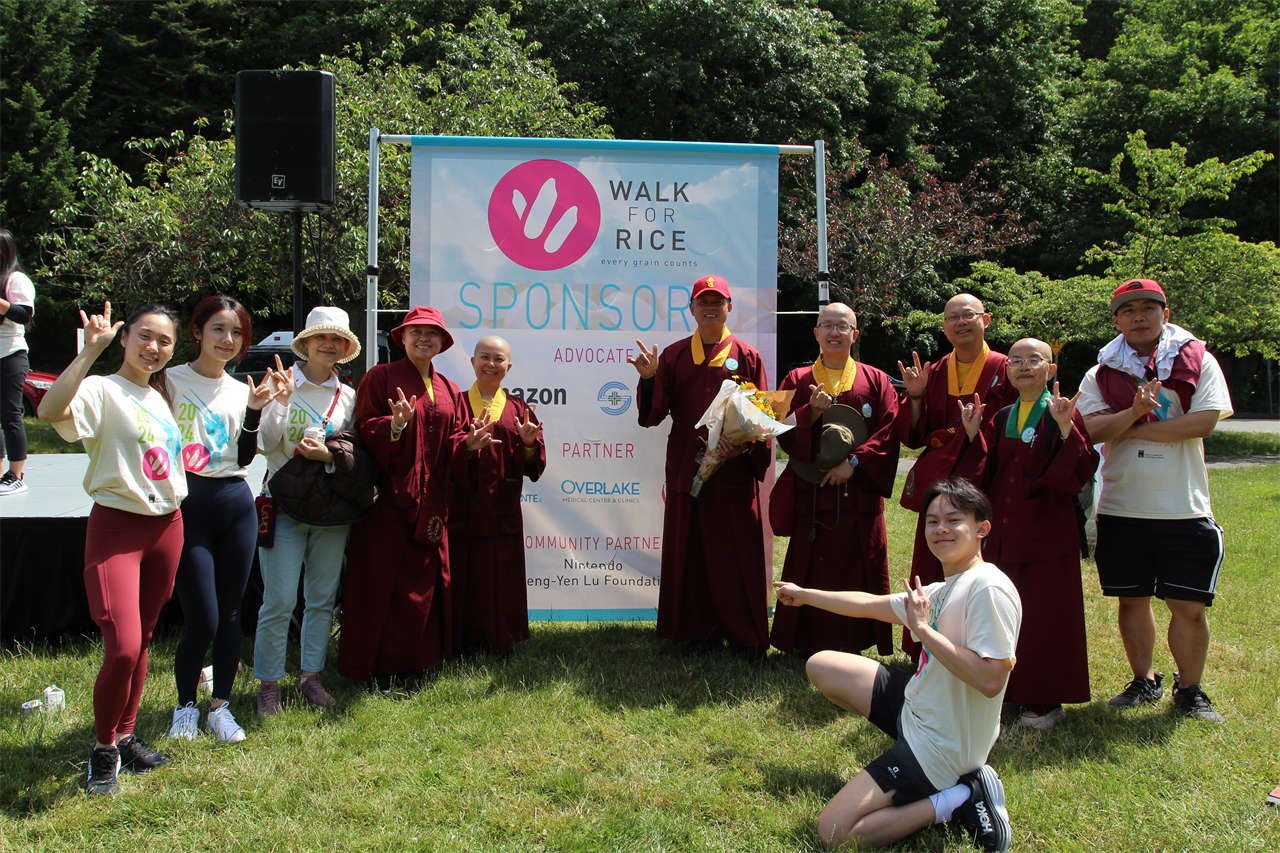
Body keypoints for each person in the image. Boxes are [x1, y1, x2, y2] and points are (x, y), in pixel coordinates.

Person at [774, 478, 1021, 851]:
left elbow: (990, 680)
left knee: (834, 832)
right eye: (932, 521)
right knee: (822, 665)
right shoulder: (942, 589)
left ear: (982, 529)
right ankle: (919, 771)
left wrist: (923, 630)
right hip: (918, 711)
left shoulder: (987, 588)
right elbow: (867, 604)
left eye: (953, 520)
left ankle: (958, 798)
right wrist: (804, 595)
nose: (940, 529)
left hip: (943, 745)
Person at [39, 302, 187, 795]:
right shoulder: (101, 388)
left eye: (164, 341)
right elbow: (48, 412)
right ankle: (103, 751)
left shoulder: (159, 397)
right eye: (144, 336)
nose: (153, 347)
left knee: (142, 639)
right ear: (124, 339)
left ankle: (125, 737)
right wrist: (89, 352)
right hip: (118, 527)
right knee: (122, 646)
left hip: (167, 526)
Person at [1077, 278, 1233, 722]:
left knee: (1189, 606)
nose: (1139, 316)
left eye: (1148, 307)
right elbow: (1090, 429)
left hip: (1183, 506)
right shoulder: (1101, 372)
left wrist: (1130, 427)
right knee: (1132, 600)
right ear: (1116, 320)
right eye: (1128, 310)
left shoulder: (1196, 360)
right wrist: (1132, 414)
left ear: (1165, 312)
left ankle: (1190, 688)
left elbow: (1202, 422)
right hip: (1122, 506)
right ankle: (1143, 680)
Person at [337, 306, 492, 690]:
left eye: (432, 333)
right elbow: (366, 427)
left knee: (423, 585)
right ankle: (377, 668)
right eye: (416, 332)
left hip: (433, 501)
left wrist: (468, 445)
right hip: (387, 502)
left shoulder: (449, 389)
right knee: (382, 584)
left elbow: (455, 439)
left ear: (442, 343)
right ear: (402, 338)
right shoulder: (381, 377)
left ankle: (417, 663)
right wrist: (395, 425)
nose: (424, 338)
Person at [954, 338, 1099, 729]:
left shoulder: (1062, 411)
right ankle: (1008, 693)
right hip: (1005, 533)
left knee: (1044, 616)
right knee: (1000, 613)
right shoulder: (1002, 416)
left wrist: (1066, 429)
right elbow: (985, 472)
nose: (1022, 366)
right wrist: (973, 435)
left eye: (1033, 360)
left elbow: (1082, 469)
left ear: (1051, 370)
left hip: (1046, 535)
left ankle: (1045, 702)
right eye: (1015, 360)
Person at [629, 274, 772, 657]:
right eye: (703, 301)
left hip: (733, 473)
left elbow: (762, 419)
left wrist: (740, 446)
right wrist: (649, 379)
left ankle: (745, 637)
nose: (710, 307)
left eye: (717, 301)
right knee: (688, 551)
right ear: (691, 308)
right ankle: (692, 634)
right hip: (687, 469)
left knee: (736, 554)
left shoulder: (748, 356)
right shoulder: (674, 356)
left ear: (729, 307)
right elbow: (652, 416)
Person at [165, 295, 285, 743]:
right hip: (187, 502)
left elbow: (245, 456)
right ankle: (184, 708)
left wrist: (255, 410)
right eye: (218, 328)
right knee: (203, 617)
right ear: (197, 332)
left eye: (236, 332)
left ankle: (220, 708)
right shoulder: (168, 381)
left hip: (234, 501)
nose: (228, 339)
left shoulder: (241, 389)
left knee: (232, 613)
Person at [770, 303, 899, 657]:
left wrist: (855, 462)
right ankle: (803, 641)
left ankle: (854, 641)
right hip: (811, 496)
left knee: (857, 565)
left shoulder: (876, 379)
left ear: (854, 334)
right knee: (810, 565)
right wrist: (810, 412)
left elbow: (890, 430)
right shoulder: (796, 379)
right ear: (816, 333)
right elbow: (779, 429)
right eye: (827, 325)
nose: (834, 332)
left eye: (842, 326)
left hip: (857, 495)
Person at [895, 293, 1017, 655]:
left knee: (978, 560)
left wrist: (976, 434)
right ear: (945, 326)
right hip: (940, 484)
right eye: (953, 318)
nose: (961, 323)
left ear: (986, 320)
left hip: (985, 481)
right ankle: (925, 645)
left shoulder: (1006, 368)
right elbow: (914, 436)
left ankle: (978, 645)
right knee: (933, 558)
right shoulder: (933, 372)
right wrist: (916, 397)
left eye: (969, 315)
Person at [253, 306, 359, 715]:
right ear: (306, 343)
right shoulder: (282, 382)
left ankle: (310, 677)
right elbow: (265, 443)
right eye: (321, 338)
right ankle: (268, 683)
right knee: (279, 600)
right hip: (283, 504)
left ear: (346, 348)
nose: (328, 345)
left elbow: (350, 454)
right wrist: (280, 403)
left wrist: (326, 457)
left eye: (337, 339)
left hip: (329, 509)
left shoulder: (347, 396)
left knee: (321, 598)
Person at [449, 335, 546, 655]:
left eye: (498, 359)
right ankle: (463, 641)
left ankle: (504, 637)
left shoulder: (519, 408)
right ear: (472, 361)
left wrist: (529, 444)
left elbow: (533, 462)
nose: (491, 364)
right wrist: (466, 446)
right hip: (464, 508)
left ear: (509, 366)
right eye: (485, 357)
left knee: (503, 574)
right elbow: (443, 454)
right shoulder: (456, 404)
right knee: (465, 574)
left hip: (503, 508)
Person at [0, 228, 35, 496]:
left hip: (11, 355)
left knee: (10, 415)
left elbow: (24, 314)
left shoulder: (16, 279)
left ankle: (16, 475)